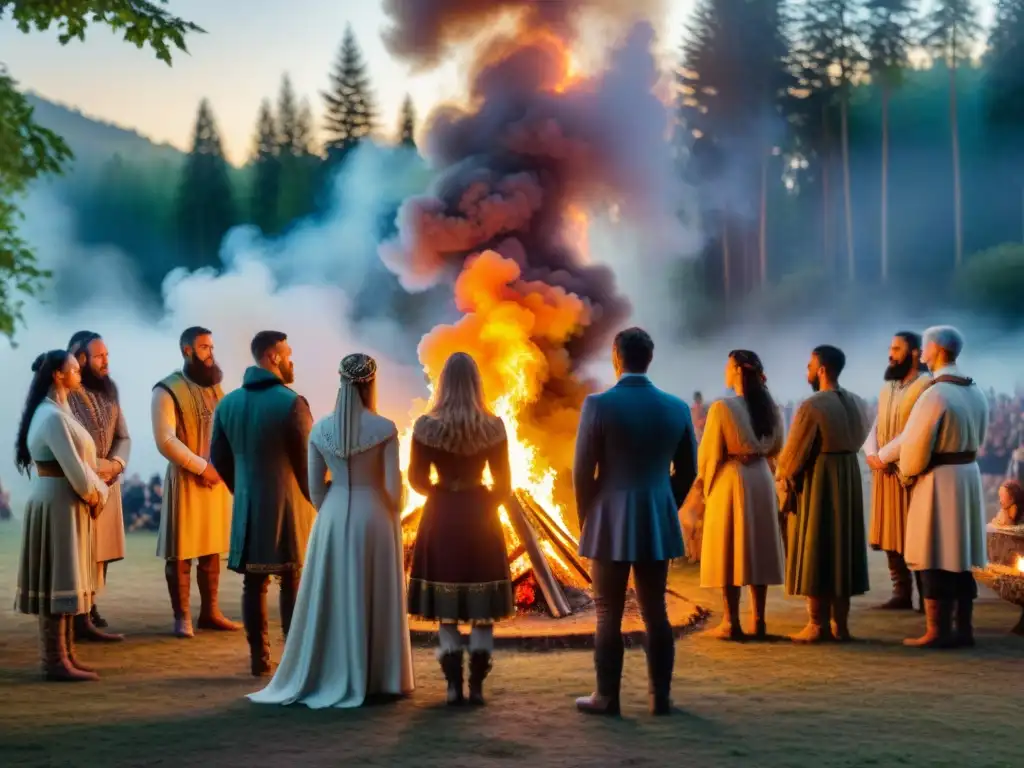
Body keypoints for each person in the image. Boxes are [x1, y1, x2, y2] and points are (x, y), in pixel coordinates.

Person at [249, 353, 415, 707]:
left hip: (333, 515)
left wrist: (334, 511)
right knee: (375, 592)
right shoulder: (384, 429)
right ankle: (379, 677)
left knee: (335, 592)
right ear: (371, 383)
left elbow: (315, 488)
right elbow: (393, 491)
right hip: (375, 517)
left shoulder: (320, 430)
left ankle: (331, 668)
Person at [573, 327, 697, 717]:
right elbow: (687, 471)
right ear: (650, 358)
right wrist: (664, 503)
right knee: (654, 609)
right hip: (654, 517)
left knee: (608, 611)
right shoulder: (677, 407)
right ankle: (660, 698)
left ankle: (607, 698)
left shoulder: (598, 405)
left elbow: (582, 472)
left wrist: (587, 516)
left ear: (616, 357)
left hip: (609, 516)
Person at [407, 352, 514, 707]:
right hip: (482, 518)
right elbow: (504, 485)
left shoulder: (425, 426)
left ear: (443, 383)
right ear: (475, 382)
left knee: (447, 609)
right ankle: (478, 688)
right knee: (482, 612)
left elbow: (417, 480)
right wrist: (481, 502)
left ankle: (453, 688)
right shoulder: (494, 426)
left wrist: (441, 492)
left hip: (441, 518)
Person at [210, 331, 316, 677]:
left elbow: (219, 459)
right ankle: (295, 658)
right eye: (288, 354)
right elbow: (307, 462)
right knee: (291, 577)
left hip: (248, 507)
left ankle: (259, 659)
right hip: (289, 507)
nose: (292, 361)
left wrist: (242, 490)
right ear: (273, 358)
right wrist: (319, 498)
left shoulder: (227, 404)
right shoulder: (292, 402)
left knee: (253, 583)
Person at [13, 350, 109, 682]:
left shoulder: (57, 411)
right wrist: (98, 493)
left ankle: (65, 655)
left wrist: (94, 491)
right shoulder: (52, 416)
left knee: (64, 576)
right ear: (57, 374)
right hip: (58, 501)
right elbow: (75, 470)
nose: (78, 372)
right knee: (59, 575)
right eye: (73, 368)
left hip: (63, 501)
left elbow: (82, 466)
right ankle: (53, 660)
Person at [894, 326, 989, 648]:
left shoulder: (935, 393)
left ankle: (937, 631)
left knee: (932, 551)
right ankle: (964, 628)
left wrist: (906, 473)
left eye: (924, 347)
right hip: (967, 475)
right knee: (960, 555)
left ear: (935, 349)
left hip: (939, 480)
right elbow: (982, 436)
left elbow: (916, 447)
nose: (921, 353)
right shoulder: (974, 389)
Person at [776, 345, 871, 643]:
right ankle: (840, 626)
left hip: (820, 479)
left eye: (809, 365)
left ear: (821, 369)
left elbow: (792, 456)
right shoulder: (857, 402)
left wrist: (783, 477)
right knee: (842, 549)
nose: (806, 371)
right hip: (847, 476)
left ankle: (817, 624)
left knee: (817, 545)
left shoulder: (812, 405)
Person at [152, 327, 239, 638]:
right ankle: (182, 616)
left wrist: (222, 466)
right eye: (203, 346)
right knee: (182, 551)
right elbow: (165, 440)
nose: (210, 352)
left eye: (211, 346)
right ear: (186, 351)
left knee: (212, 549)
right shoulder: (166, 389)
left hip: (216, 480)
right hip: (187, 480)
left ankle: (210, 612)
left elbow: (229, 428)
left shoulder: (216, 388)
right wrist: (203, 468)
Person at [698, 350, 785, 640]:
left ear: (736, 369)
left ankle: (731, 621)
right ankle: (759, 621)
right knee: (758, 547)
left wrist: (705, 486)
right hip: (761, 476)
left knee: (729, 549)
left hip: (731, 477)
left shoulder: (723, 408)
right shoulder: (771, 406)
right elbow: (777, 446)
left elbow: (710, 454)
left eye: (727, 364)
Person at [67, 331, 130, 642]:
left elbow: (123, 437)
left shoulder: (109, 392)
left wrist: (117, 465)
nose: (106, 361)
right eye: (99, 356)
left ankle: (89, 607)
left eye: (107, 354)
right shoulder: (65, 394)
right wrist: (97, 470)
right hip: (81, 485)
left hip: (110, 481)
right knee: (81, 553)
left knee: (101, 553)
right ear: (80, 359)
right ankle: (77, 613)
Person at [863, 331, 929, 611]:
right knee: (890, 533)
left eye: (897, 348)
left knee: (916, 536)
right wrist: (871, 453)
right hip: (884, 473)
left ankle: (928, 597)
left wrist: (888, 456)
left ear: (915, 352)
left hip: (909, 473)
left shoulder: (927, 385)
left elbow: (919, 430)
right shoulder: (887, 387)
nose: (890, 354)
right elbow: (877, 424)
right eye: (890, 348)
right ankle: (901, 593)